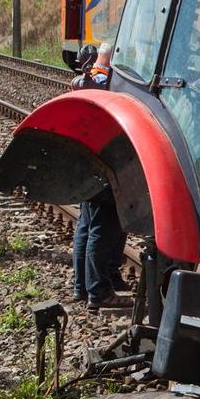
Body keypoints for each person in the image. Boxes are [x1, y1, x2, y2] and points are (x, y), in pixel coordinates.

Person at [70, 47, 131, 310]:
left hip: (87, 163)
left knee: (87, 225)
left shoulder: (86, 81)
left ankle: (82, 287)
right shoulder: (105, 83)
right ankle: (99, 291)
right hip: (103, 165)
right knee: (102, 226)